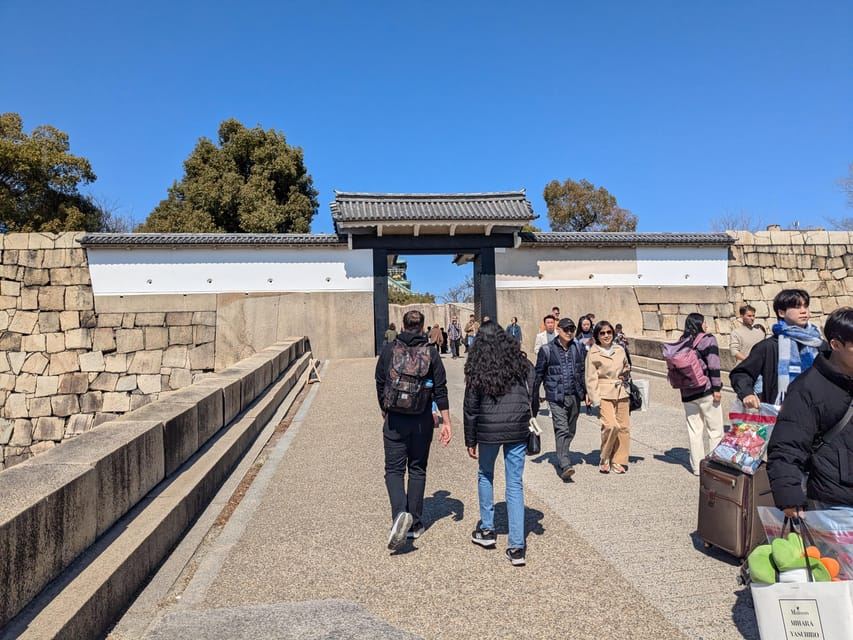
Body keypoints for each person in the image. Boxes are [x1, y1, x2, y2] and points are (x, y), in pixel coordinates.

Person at [375, 310, 452, 550]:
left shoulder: (389, 350)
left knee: (394, 470)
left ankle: (399, 514)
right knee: (417, 468)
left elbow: (379, 380)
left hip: (395, 418)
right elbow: (441, 389)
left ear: (403, 325)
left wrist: (384, 408)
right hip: (421, 420)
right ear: (422, 327)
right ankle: (415, 523)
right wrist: (447, 421)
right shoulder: (431, 353)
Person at [767, 307, 853, 517]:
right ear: (835, 345)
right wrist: (790, 496)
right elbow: (787, 446)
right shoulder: (807, 388)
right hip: (835, 500)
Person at [464, 321, 535, 566]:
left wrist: (470, 438)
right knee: (514, 483)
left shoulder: (476, 367)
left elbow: (471, 407)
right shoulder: (521, 363)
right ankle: (517, 546)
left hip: (488, 429)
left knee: (486, 475)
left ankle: (487, 529)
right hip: (516, 427)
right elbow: (532, 393)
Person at [731, 289, 824, 409]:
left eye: (805, 306)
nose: (803, 311)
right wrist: (747, 393)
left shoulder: (819, 344)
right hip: (783, 413)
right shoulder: (768, 346)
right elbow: (742, 373)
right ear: (781, 313)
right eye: (797, 307)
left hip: (818, 411)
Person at [533, 317, 588, 480]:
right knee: (562, 428)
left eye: (572, 329)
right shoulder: (547, 349)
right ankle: (564, 463)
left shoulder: (578, 347)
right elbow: (538, 374)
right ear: (559, 330)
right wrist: (534, 396)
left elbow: (583, 371)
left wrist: (587, 393)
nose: (569, 332)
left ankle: (562, 453)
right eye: (566, 329)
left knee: (571, 429)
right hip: (556, 397)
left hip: (575, 395)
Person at [675, 313, 724, 476]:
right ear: (700, 324)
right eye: (705, 322)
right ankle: (716, 466)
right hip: (706, 390)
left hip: (688, 393)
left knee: (694, 431)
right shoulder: (707, 339)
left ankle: (697, 467)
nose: (707, 325)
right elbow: (714, 364)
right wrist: (717, 388)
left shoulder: (682, 341)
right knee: (715, 430)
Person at [585, 321, 632, 474]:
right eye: (602, 333)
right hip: (604, 392)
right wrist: (594, 398)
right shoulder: (593, 352)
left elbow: (626, 366)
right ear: (597, 335)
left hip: (621, 391)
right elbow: (590, 377)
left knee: (623, 428)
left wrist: (625, 373)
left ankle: (619, 460)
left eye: (609, 332)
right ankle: (605, 456)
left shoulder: (619, 349)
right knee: (610, 425)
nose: (606, 335)